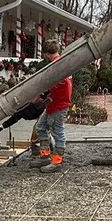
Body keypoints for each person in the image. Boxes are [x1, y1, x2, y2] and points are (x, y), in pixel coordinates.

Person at [33, 41, 72, 172]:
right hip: (55, 103)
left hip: (58, 105)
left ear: (45, 54)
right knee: (40, 127)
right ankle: (45, 155)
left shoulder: (57, 65)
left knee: (58, 132)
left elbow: (59, 84)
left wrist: (43, 95)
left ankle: (57, 161)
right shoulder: (61, 63)